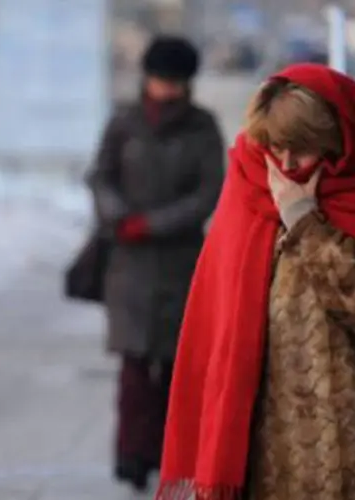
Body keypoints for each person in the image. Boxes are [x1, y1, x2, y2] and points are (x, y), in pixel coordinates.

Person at [156, 63, 355, 500]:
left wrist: (305, 222)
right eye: (276, 146)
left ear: (339, 140)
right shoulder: (252, 185)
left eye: (302, 149)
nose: (287, 164)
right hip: (268, 458)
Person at [87, 35, 225, 492]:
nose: (166, 88)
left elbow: (208, 193)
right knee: (132, 371)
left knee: (173, 370)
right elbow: (100, 175)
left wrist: (154, 224)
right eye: (160, 79)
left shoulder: (203, 127)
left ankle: (171, 457)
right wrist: (117, 216)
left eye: (175, 81)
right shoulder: (124, 122)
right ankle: (130, 457)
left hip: (180, 265)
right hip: (127, 266)